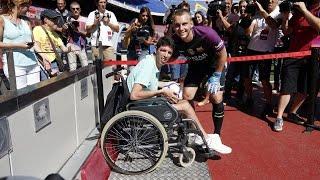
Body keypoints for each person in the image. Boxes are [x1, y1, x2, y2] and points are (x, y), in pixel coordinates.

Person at [127, 36, 231, 154]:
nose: (166, 55)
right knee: (185, 105)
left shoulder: (151, 62)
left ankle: (196, 134)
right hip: (141, 108)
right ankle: (204, 138)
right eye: (163, 50)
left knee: (181, 101)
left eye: (169, 52)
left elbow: (149, 84)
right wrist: (161, 92)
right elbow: (134, 95)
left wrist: (167, 84)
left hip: (144, 104)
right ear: (156, 49)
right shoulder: (148, 66)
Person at [171, 9, 232, 153]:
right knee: (186, 96)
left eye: (184, 24)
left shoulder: (207, 33)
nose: (181, 28)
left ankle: (217, 134)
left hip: (214, 66)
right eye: (177, 25)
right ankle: (193, 130)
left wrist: (217, 75)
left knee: (216, 96)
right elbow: (170, 56)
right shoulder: (175, 39)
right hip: (196, 67)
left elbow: (223, 54)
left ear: (191, 23)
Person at [274, 0, 320, 131]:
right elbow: (287, 31)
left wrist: (305, 10)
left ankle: (292, 113)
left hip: (311, 57)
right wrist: (285, 18)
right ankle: (279, 117)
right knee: (287, 88)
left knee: (305, 90)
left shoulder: (313, 10)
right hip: (293, 56)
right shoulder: (299, 11)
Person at [244, 0, 281, 116]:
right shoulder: (256, 13)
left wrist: (262, 11)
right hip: (251, 49)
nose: (269, 1)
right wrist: (246, 19)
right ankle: (249, 99)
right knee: (247, 77)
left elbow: (274, 25)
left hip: (266, 52)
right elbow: (248, 32)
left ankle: (269, 104)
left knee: (264, 80)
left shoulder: (279, 12)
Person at [0, 0, 41, 89]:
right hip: (14, 64)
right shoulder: (2, 19)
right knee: (22, 96)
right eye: (27, 6)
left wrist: (43, 56)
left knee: (35, 94)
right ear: (19, 5)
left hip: (33, 63)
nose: (28, 9)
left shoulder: (26, 21)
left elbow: (33, 41)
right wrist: (19, 45)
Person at [33, 9, 70, 79]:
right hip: (42, 63)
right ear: (46, 20)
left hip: (53, 63)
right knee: (45, 85)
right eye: (54, 19)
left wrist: (69, 48)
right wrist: (43, 60)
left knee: (54, 85)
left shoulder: (55, 34)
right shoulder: (37, 29)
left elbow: (64, 49)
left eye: (57, 19)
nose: (56, 21)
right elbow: (36, 47)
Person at [66, 1, 88, 71]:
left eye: (77, 9)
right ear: (71, 10)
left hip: (81, 45)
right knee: (72, 68)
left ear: (80, 10)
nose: (75, 10)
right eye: (73, 9)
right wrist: (64, 28)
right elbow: (65, 33)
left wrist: (79, 31)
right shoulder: (68, 19)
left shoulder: (85, 20)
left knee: (85, 66)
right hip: (71, 44)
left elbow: (89, 34)